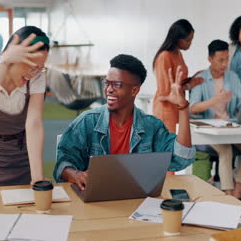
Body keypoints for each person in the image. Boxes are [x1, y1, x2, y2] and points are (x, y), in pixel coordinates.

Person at [54, 54, 197, 190]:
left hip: (137, 200)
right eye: (107, 83)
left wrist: (183, 108)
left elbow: (181, 158)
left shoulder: (151, 126)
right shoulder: (87, 122)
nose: (109, 90)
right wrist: (75, 175)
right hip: (94, 200)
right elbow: (63, 163)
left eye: (117, 84)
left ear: (134, 90)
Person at [0, 26, 50, 187]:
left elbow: (33, 124)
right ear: (13, 58)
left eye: (40, 68)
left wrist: (37, 177)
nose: (34, 74)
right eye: (31, 66)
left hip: (22, 158)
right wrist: (4, 60)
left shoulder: (36, 78)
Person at [190, 40, 241, 199]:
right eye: (221, 60)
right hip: (210, 129)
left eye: (227, 59)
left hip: (230, 125)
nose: (225, 63)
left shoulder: (232, 77)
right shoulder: (201, 78)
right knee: (225, 150)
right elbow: (192, 107)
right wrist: (216, 100)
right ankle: (228, 195)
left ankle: (237, 193)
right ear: (210, 59)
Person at [153, 19, 204, 133]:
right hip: (167, 110)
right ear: (177, 39)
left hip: (178, 107)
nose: (190, 43)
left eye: (191, 40)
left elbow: (178, 83)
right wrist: (187, 86)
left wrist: (192, 80)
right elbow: (165, 92)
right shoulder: (164, 56)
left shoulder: (178, 53)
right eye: (187, 40)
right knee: (171, 146)